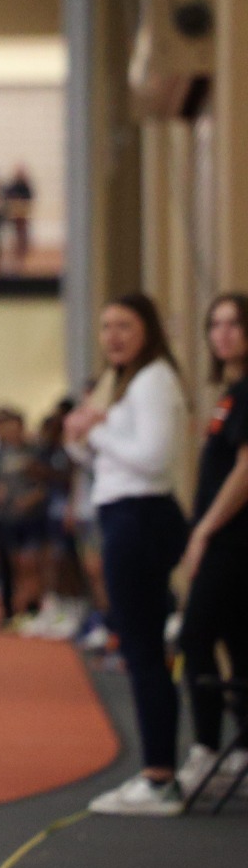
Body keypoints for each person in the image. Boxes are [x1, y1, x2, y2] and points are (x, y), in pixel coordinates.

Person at [65, 294, 189, 816]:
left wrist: (99, 429)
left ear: (148, 329)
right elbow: (95, 456)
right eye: (106, 325)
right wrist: (80, 436)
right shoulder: (121, 381)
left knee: (142, 651)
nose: (113, 335)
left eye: (125, 326)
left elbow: (154, 457)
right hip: (122, 512)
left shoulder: (155, 380)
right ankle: (160, 771)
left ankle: (160, 777)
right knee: (138, 646)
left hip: (143, 516)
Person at [178, 292, 248, 794]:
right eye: (215, 324)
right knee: (237, 643)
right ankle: (241, 749)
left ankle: (205, 748)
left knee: (194, 636)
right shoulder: (229, 393)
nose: (222, 333)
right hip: (222, 539)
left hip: (233, 543)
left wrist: (203, 530)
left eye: (234, 324)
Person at [0, 406, 50, 629]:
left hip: (31, 518)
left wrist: (31, 499)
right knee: (10, 566)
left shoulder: (35, 450)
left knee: (30, 564)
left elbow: (47, 482)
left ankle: (33, 608)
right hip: (6, 517)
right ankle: (12, 611)